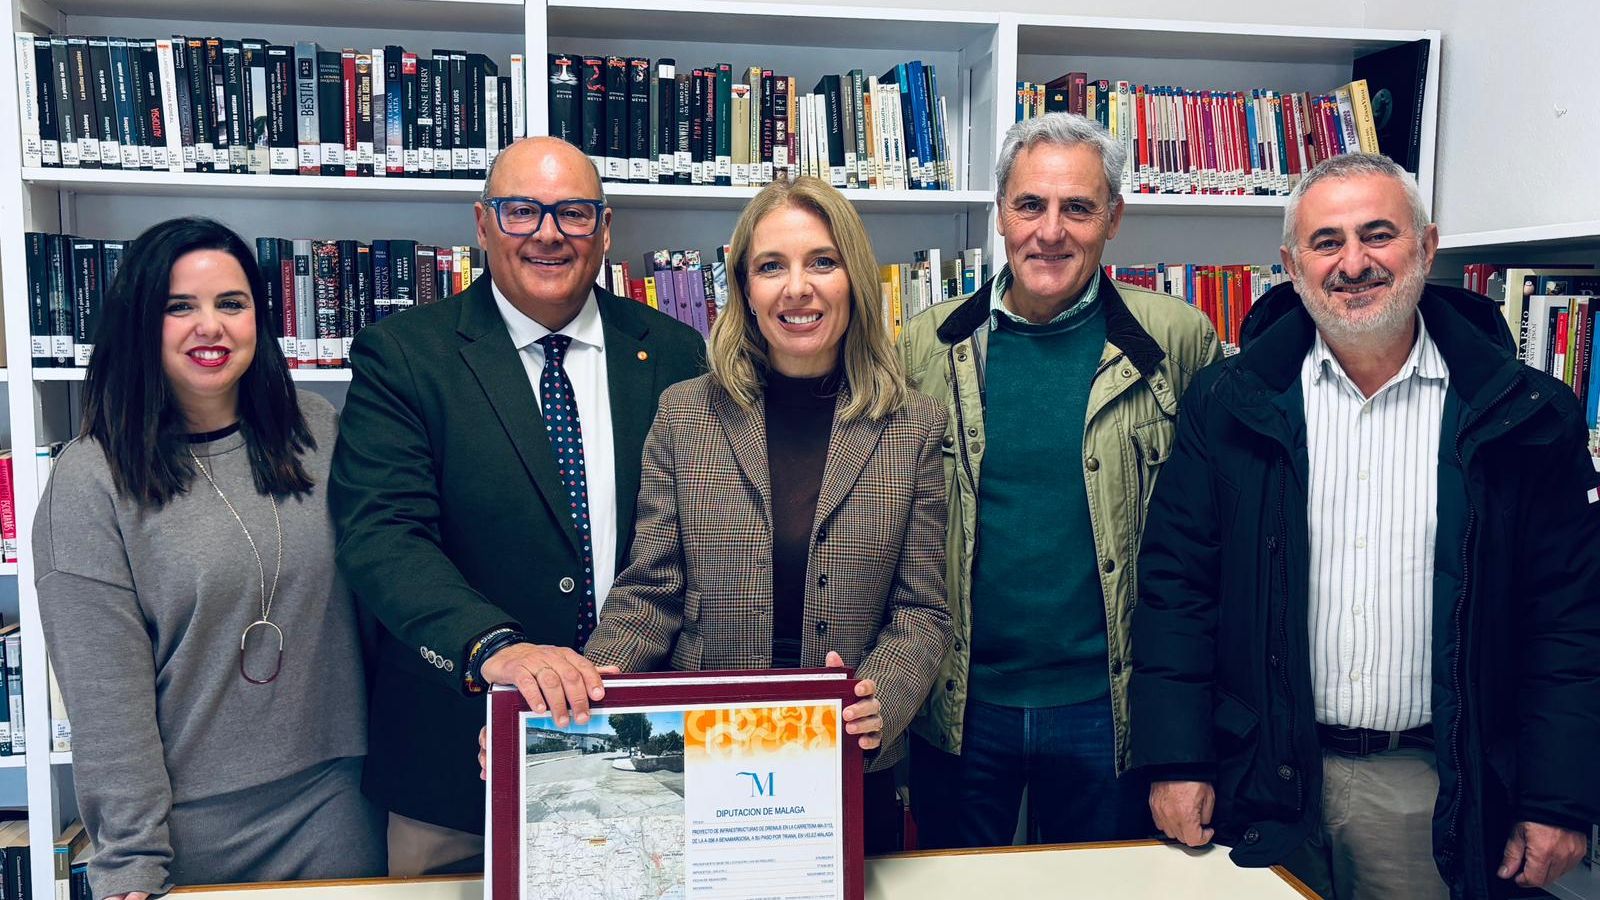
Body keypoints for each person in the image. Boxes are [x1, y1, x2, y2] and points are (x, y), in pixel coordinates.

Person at [1132, 152, 1600, 899]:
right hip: (1260, 778)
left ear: (1427, 246)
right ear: (1291, 263)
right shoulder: (1228, 402)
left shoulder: (1526, 416)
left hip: (1429, 789)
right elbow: (1176, 591)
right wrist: (1176, 759)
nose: (1353, 263)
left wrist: (1557, 798)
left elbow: (1569, 621)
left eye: (1378, 235)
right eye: (1326, 243)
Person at [329, 136, 706, 876]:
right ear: (481, 222)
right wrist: (493, 647)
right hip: (455, 771)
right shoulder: (404, 355)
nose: (547, 233)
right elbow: (382, 533)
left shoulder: (673, 353)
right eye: (521, 211)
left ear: (604, 228)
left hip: (643, 756)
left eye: (573, 213)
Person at [580, 176, 953, 854]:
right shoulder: (684, 414)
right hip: (706, 751)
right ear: (745, 291)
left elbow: (922, 610)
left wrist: (883, 696)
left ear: (855, 281)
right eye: (771, 266)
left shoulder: (913, 426)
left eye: (822, 261)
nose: (797, 288)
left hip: (847, 753)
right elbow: (648, 594)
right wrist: (569, 710)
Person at [34, 217, 385, 898]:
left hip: (336, 805)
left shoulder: (318, 430)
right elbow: (107, 697)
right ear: (141, 323)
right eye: (179, 307)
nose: (211, 327)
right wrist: (131, 860)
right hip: (189, 832)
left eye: (231, 304)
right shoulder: (92, 479)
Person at [899, 112, 1221, 849]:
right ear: (1001, 216)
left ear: (1113, 218)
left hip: (1109, 704)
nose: (1051, 232)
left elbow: (1212, 539)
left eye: (1077, 208)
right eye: (1030, 206)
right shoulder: (927, 344)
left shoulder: (1178, 339)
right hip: (961, 701)